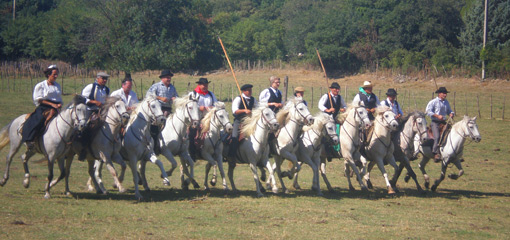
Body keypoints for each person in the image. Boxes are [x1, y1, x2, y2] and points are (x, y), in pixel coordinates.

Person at [21, 65, 63, 151]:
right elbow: (39, 99)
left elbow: (59, 98)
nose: (56, 76)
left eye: (57, 74)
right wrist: (52, 104)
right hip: (44, 107)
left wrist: (59, 104)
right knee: (38, 119)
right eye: (54, 74)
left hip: (56, 108)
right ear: (48, 74)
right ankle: (30, 139)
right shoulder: (41, 85)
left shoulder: (57, 85)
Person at [79, 71, 110, 160]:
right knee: (87, 127)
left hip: (102, 111)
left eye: (106, 79)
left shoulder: (106, 89)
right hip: (90, 110)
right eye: (103, 78)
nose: (104, 80)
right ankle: (83, 149)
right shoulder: (91, 87)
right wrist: (94, 102)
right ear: (98, 78)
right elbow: (83, 98)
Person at [146, 69, 178, 154]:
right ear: (162, 78)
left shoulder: (172, 88)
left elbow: (177, 97)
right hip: (158, 110)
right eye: (167, 77)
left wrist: (175, 99)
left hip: (168, 109)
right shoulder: (156, 86)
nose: (169, 79)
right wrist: (160, 98)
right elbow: (148, 95)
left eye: (169, 78)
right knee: (155, 127)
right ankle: (154, 145)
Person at [188, 78, 217, 159]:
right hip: (196, 118)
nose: (205, 86)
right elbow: (190, 105)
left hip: (208, 118)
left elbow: (216, 104)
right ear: (199, 85)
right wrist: (200, 107)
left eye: (206, 85)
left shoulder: (210, 94)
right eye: (203, 85)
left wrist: (212, 107)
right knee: (192, 133)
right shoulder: (193, 94)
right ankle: (192, 152)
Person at [426, 87, 455, 161]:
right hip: (435, 123)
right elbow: (428, 111)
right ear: (439, 94)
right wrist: (437, 116)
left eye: (446, 93)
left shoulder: (446, 102)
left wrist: (451, 113)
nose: (445, 95)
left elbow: (449, 110)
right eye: (444, 93)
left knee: (452, 134)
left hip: (443, 123)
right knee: (437, 137)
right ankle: (435, 153)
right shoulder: (433, 102)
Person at [228, 84, 256, 157]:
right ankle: (232, 155)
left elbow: (257, 107)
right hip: (239, 121)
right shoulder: (238, 99)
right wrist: (244, 110)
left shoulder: (253, 99)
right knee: (235, 136)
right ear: (244, 91)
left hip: (249, 121)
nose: (250, 92)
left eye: (251, 90)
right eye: (248, 90)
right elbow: (235, 111)